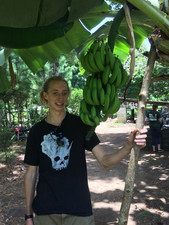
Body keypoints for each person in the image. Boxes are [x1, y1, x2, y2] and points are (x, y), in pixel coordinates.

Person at [24, 75, 147, 225]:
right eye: (55, 93)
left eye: (64, 93)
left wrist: (127, 147)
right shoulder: (37, 131)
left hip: (79, 210)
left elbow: (104, 160)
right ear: (45, 95)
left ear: (68, 94)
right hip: (46, 212)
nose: (60, 97)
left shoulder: (80, 124)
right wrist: (28, 215)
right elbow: (31, 174)